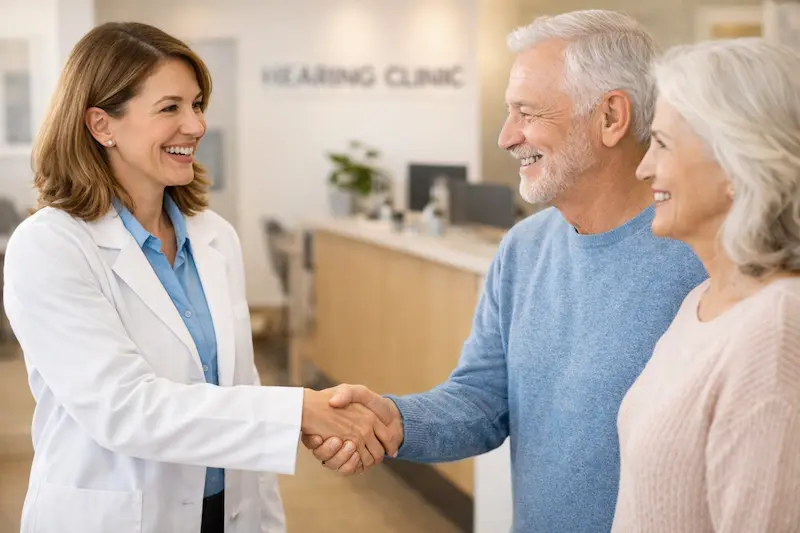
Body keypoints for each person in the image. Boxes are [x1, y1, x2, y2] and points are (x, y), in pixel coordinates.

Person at [304, 10, 708, 533]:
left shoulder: (703, 258)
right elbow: (483, 398)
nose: (505, 137)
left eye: (526, 112)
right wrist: (393, 420)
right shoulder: (524, 248)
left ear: (611, 117)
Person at [1, 22, 398, 533]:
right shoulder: (51, 246)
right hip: (119, 517)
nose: (196, 125)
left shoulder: (214, 237)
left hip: (228, 514)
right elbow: (124, 407)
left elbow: (240, 385)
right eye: (170, 108)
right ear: (102, 125)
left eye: (197, 104)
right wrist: (300, 411)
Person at [611, 38, 800, 533]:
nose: (643, 167)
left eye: (663, 143)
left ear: (738, 164)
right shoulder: (702, 301)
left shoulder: (775, 330)